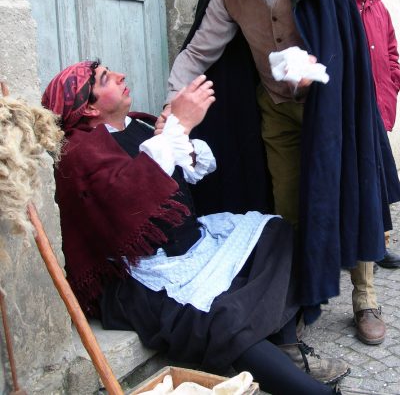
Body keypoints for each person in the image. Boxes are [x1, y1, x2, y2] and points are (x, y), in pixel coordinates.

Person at [163, 0, 400, 344]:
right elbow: (199, 51)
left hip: (333, 109)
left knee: (354, 191)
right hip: (277, 111)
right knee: (289, 206)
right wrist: (172, 106)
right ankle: (295, 301)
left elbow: (344, 43)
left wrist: (318, 66)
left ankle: (365, 297)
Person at [42, 60, 349, 395]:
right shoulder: (79, 152)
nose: (121, 76)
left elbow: (190, 168)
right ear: (88, 107)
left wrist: (177, 133)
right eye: (105, 79)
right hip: (146, 270)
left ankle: (284, 344)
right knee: (218, 321)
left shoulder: (139, 126)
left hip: (193, 242)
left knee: (278, 234)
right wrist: (178, 127)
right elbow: (128, 197)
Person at [331, 0, 400, 273]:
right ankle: (346, 243)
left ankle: (379, 244)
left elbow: (391, 52)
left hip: (378, 106)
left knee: (377, 180)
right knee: (350, 177)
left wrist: (391, 88)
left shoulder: (377, 5)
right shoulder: (331, 4)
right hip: (348, 111)